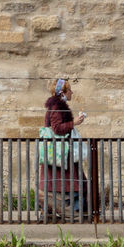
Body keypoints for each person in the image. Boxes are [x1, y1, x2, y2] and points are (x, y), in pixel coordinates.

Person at [38, 77, 88, 219]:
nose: (72, 92)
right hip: (60, 151)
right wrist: (74, 122)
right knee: (71, 179)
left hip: (60, 150)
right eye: (70, 90)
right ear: (63, 93)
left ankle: (56, 209)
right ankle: (74, 209)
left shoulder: (58, 105)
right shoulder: (57, 107)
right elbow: (57, 128)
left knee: (70, 179)